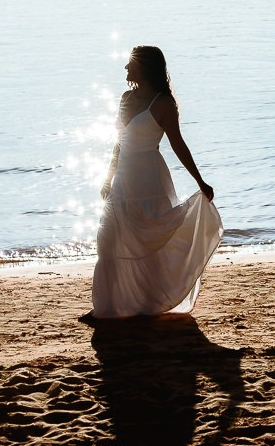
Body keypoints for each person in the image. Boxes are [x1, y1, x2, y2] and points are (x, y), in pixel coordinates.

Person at [90, 45, 222, 320]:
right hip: (124, 178)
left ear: (145, 67)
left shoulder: (163, 103)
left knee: (147, 241)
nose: (126, 69)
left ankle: (148, 304)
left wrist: (200, 180)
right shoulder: (126, 97)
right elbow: (118, 143)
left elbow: (178, 144)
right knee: (109, 241)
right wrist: (108, 178)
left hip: (149, 179)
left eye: (130, 64)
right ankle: (106, 306)